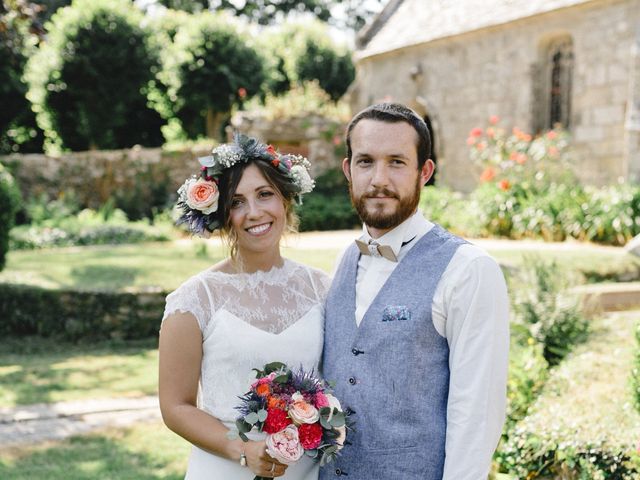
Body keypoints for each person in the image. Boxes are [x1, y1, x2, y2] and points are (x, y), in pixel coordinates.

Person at [321, 103, 509, 480]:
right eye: (365, 162)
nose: (379, 179)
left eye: (396, 162)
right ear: (348, 170)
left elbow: (476, 412)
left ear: (425, 172)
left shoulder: (468, 269)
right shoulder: (344, 260)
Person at [159, 134, 329, 480]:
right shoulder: (193, 300)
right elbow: (175, 407)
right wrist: (243, 451)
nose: (254, 212)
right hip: (225, 470)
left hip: (307, 472)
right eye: (237, 202)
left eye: (264, 194)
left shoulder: (323, 289)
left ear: (285, 200)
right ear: (221, 214)